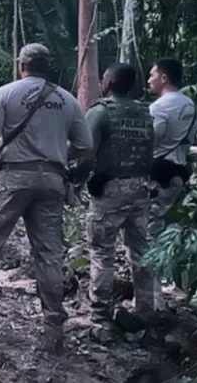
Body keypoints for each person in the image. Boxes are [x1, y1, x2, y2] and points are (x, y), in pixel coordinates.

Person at [0, 43, 93, 352]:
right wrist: (59, 156)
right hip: (52, 180)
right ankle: (53, 330)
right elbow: (86, 146)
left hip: (12, 177)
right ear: (47, 67)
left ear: (22, 65)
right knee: (48, 254)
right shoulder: (67, 100)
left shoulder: (6, 93)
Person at [84, 63, 155, 343]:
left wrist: (84, 178)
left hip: (109, 189)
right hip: (140, 188)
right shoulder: (144, 112)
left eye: (104, 78)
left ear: (110, 82)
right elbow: (149, 152)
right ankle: (146, 312)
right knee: (142, 252)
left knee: (102, 254)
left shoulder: (101, 112)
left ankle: (101, 319)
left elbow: (86, 152)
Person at [147, 57, 197, 310]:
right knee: (175, 233)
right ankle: (182, 289)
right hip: (180, 172)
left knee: (150, 236)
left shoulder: (159, 108)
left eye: (152, 75)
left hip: (158, 175)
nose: (149, 80)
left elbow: (151, 141)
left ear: (164, 78)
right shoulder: (191, 106)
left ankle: (153, 298)